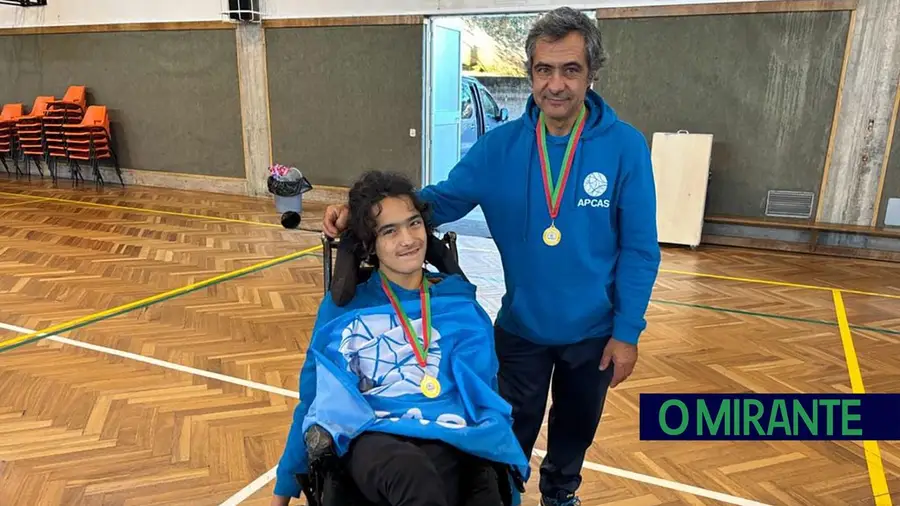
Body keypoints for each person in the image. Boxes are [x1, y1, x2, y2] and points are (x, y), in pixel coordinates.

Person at [322, 7, 661, 506]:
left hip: (594, 332)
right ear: (530, 73)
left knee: (575, 428)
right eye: (544, 70)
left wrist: (627, 332)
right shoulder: (500, 146)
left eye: (571, 69)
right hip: (521, 328)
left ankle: (561, 494)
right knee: (508, 425)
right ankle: (508, 493)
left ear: (592, 73)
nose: (557, 85)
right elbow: (440, 201)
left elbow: (639, 250)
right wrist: (364, 215)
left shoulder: (625, 148)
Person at [272, 170, 530, 506]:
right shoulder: (344, 309)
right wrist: (282, 493)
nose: (408, 239)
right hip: (372, 433)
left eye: (413, 224)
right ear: (370, 243)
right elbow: (313, 400)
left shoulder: (458, 302)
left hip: (451, 432)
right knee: (411, 473)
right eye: (389, 231)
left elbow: (486, 397)